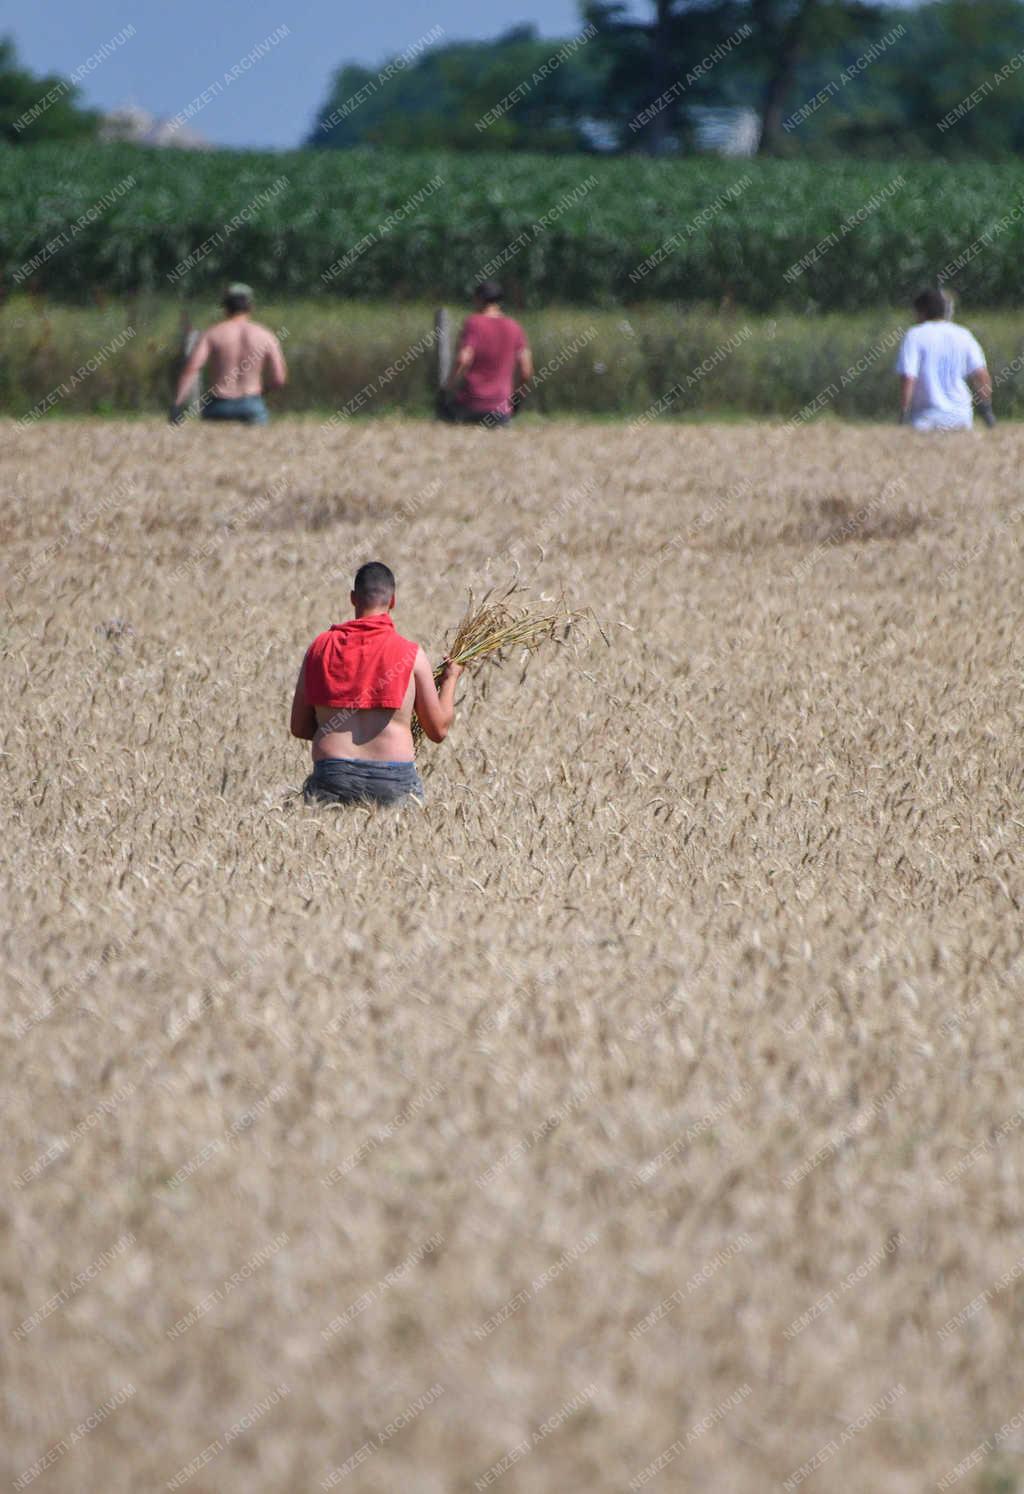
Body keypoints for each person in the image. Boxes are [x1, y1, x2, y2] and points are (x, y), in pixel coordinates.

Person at [290, 562, 462, 807]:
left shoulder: (320, 648)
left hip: (332, 776)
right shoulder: (410, 654)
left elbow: (299, 727)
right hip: (394, 780)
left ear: (352, 598)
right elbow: (438, 730)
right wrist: (450, 679)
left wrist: (334, 726)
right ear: (392, 601)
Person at [170, 283, 287, 426]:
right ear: (250, 307)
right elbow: (279, 379)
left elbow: (192, 369)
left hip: (219, 405)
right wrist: (260, 393)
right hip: (251, 403)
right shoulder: (265, 335)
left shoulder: (213, 334)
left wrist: (177, 403)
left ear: (225, 307)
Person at [895, 288, 994, 431]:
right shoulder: (963, 334)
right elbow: (981, 375)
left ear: (921, 311)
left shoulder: (914, 335)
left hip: (925, 419)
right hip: (961, 417)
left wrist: (903, 413)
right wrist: (986, 410)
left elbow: (908, 378)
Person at [439, 279, 533, 427]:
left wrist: (447, 389)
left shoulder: (473, 323)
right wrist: (517, 399)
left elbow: (463, 359)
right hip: (501, 412)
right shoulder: (515, 327)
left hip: (470, 406)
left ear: (478, 299)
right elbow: (526, 371)